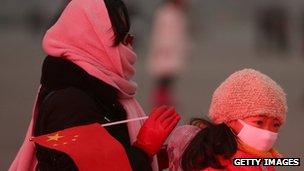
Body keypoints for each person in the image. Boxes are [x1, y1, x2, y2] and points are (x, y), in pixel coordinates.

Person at [9, 0, 180, 170]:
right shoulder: (68, 104)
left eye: (130, 39)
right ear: (95, 41)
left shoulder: (97, 91)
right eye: (123, 39)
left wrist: (160, 155)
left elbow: (112, 153)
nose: (129, 49)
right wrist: (143, 149)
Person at [168, 68, 287, 171]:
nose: (268, 133)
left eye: (276, 125)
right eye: (259, 122)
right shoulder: (213, 161)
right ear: (230, 119)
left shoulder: (261, 159)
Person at [147, 0, 190, 107]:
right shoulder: (165, 13)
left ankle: (164, 97)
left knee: (170, 76)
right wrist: (162, 47)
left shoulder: (177, 13)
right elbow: (162, 33)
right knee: (163, 76)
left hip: (173, 49)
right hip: (166, 49)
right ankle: (159, 98)